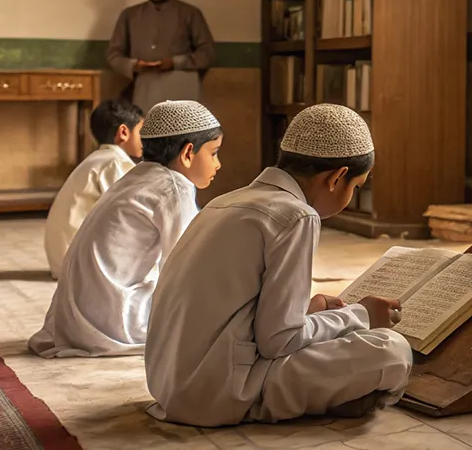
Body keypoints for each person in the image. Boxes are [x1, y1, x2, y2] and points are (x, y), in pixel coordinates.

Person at [145, 104, 410, 426]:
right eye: (355, 187)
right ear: (337, 177)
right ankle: (313, 399)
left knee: (346, 336)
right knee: (390, 350)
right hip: (219, 393)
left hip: (169, 386)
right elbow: (278, 342)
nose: (351, 197)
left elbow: (247, 316)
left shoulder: (226, 201)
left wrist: (311, 313)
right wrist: (362, 314)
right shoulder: (296, 215)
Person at [28, 100, 223, 358]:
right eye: (214, 153)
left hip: (74, 318)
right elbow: (185, 266)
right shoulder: (174, 187)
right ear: (188, 153)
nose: (218, 164)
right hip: (111, 322)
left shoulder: (138, 175)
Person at [44, 99, 144, 280]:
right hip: (76, 266)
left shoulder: (99, 158)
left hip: (64, 260)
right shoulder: (114, 162)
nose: (144, 139)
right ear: (123, 132)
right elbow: (124, 212)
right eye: (140, 131)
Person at [106, 0, 215, 114]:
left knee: (182, 132)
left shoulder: (190, 13)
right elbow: (114, 55)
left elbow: (207, 53)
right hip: (146, 84)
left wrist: (175, 63)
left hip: (182, 83)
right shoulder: (130, 15)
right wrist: (134, 65)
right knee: (147, 130)